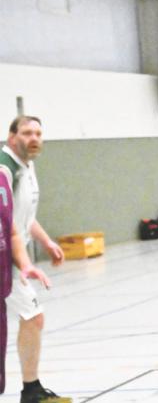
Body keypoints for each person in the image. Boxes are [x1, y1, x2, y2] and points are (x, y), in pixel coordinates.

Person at [0, 116, 69, 403]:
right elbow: (9, 226)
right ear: (11, 135)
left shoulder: (28, 165)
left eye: (38, 133)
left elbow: (25, 219)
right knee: (33, 316)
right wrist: (23, 264)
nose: (34, 138)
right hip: (7, 261)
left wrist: (47, 241)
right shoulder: (6, 169)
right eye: (27, 132)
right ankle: (31, 390)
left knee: (32, 318)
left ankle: (32, 388)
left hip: (17, 257)